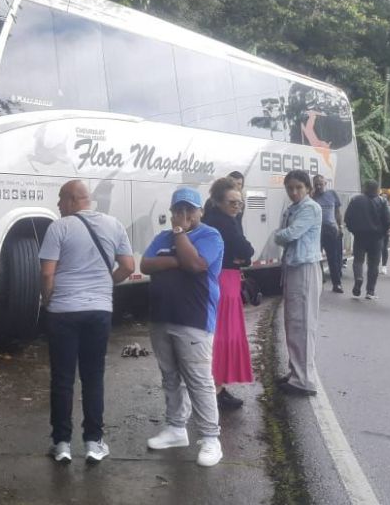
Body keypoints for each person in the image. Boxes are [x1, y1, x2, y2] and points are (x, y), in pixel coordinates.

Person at [39, 180, 135, 464]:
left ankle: (62, 444)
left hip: (63, 311)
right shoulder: (114, 224)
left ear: (71, 199)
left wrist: (47, 300)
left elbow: (47, 275)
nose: (57, 205)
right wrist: (104, 286)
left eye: (60, 199)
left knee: (62, 379)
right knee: (93, 377)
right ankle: (94, 442)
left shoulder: (59, 227)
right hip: (99, 311)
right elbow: (128, 266)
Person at [141, 187, 225, 467]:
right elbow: (146, 264)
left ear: (201, 211)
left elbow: (195, 264)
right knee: (170, 377)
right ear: (172, 210)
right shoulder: (160, 237)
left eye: (190, 209)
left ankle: (211, 438)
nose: (184, 214)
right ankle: (176, 429)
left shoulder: (210, 236)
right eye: (179, 209)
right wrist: (176, 260)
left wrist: (179, 237)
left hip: (194, 320)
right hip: (161, 317)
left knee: (199, 381)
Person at [202, 178, 255, 411]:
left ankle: (214, 386)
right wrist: (244, 255)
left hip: (217, 279)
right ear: (218, 202)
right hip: (226, 280)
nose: (237, 207)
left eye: (240, 203)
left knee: (217, 334)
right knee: (225, 335)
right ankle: (217, 389)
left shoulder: (210, 220)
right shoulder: (225, 222)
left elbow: (244, 252)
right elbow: (246, 250)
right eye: (232, 202)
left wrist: (244, 254)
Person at [274, 170, 323, 397]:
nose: (294, 192)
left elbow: (289, 235)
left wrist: (279, 234)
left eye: (298, 188)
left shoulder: (310, 208)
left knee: (302, 324)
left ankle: (303, 380)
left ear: (308, 188)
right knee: (293, 323)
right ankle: (296, 372)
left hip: (305, 268)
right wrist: (280, 234)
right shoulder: (294, 208)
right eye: (290, 188)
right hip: (294, 267)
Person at [344, 180, 390, 300]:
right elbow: (387, 220)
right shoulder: (382, 201)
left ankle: (359, 277)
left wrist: (353, 230)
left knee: (358, 260)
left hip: (360, 236)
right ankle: (370, 291)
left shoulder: (356, 200)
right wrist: (383, 232)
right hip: (376, 238)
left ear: (365, 188)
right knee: (373, 264)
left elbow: (348, 218)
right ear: (377, 189)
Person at [312, 175, 344, 293]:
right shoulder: (312, 197)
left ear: (325, 183)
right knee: (316, 257)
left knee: (333, 258)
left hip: (331, 230)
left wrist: (340, 226)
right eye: (316, 184)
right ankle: (320, 280)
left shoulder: (332, 194)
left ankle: (337, 284)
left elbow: (337, 212)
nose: (319, 186)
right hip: (316, 231)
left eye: (320, 184)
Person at [380, 192, 390, 275]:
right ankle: (373, 265)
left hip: (386, 230)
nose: (383, 198)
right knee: (375, 248)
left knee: (384, 248)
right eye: (382, 197)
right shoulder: (376, 206)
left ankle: (384, 266)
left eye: (385, 197)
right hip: (377, 230)